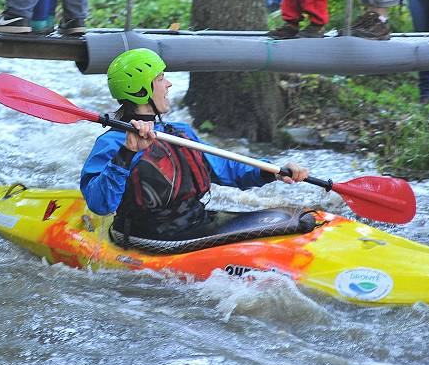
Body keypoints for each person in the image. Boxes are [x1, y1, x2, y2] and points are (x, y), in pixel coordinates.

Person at [80, 48, 309, 242]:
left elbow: (226, 167)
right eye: (160, 78)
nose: (168, 84)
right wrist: (127, 154)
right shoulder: (113, 142)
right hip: (150, 237)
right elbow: (100, 204)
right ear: (140, 90)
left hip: (196, 221)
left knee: (299, 221)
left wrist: (273, 171)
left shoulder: (179, 132)